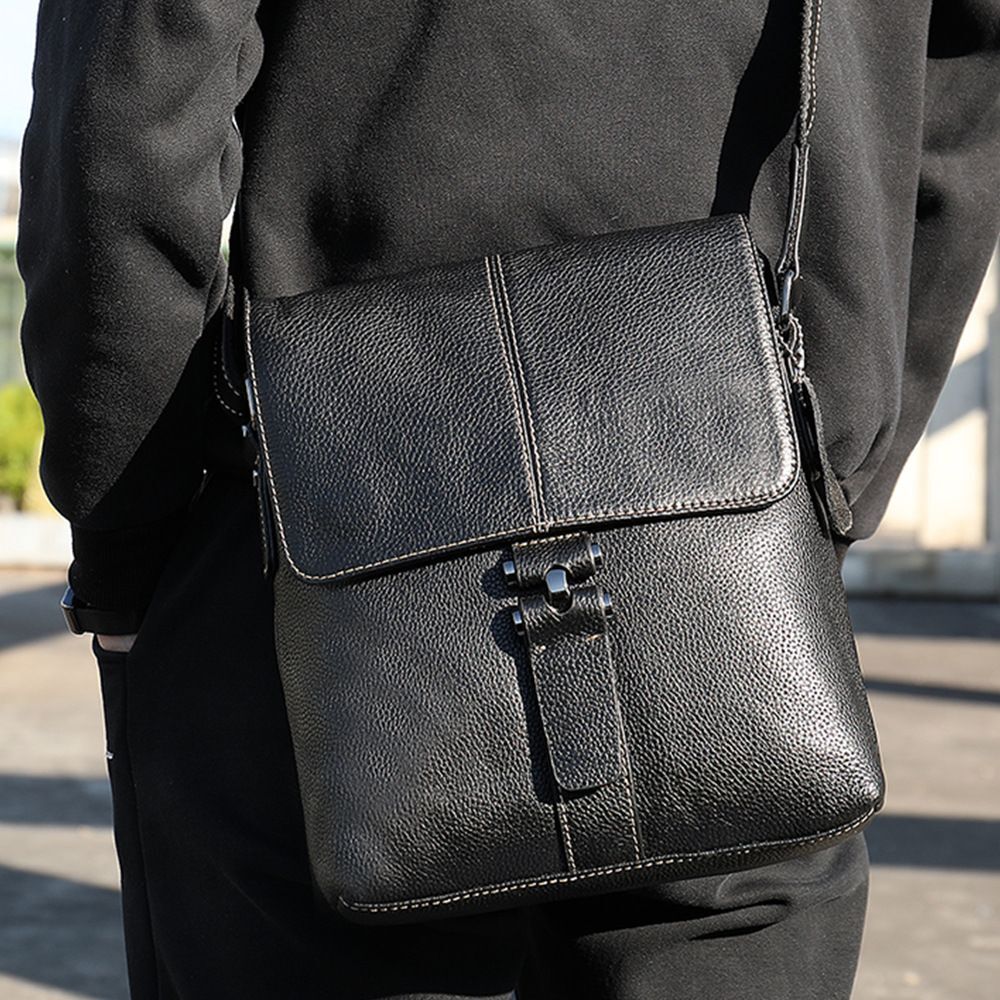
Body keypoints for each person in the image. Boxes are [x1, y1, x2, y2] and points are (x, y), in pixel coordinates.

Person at [17, 2, 1000, 998]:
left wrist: (130, 539)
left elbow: (127, 111)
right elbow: (965, 91)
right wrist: (829, 468)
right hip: (732, 561)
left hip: (311, 553)